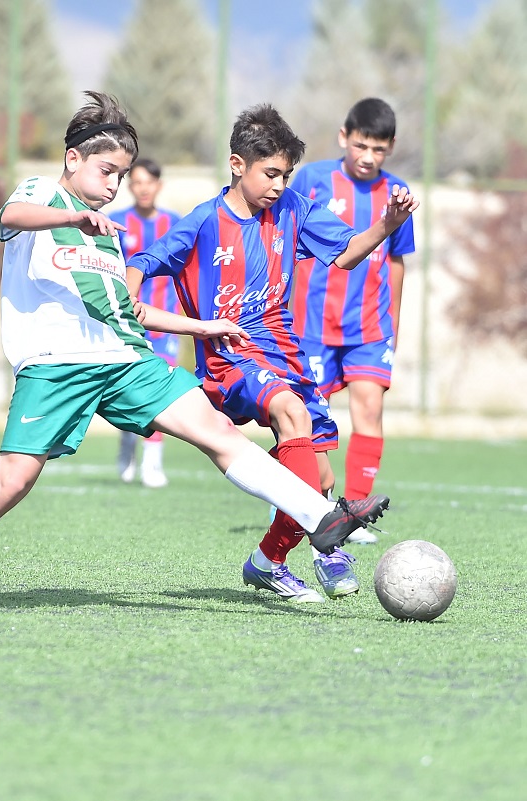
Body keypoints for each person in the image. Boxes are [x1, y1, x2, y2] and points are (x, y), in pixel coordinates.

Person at [0, 91, 391, 613]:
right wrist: (71, 219)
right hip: (56, 367)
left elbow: (130, 312)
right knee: (12, 481)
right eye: (106, 170)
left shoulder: (104, 234)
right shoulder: (46, 196)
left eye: (122, 173)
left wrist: (203, 326)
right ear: (74, 159)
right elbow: (13, 213)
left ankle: (321, 521)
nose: (114, 184)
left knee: (218, 434)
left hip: (124, 361)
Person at [126, 102, 418, 602]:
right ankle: (328, 548)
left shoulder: (293, 209)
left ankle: (267, 561)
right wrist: (130, 298)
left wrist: (387, 225)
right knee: (289, 413)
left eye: (286, 174)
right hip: (231, 356)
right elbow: (144, 261)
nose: (280, 185)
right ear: (237, 165)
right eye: (270, 174)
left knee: (318, 473)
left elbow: (346, 254)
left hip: (287, 352)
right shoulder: (203, 222)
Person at [289, 98, 415, 549]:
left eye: (379, 150)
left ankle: (355, 511)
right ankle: (297, 495)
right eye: (361, 145)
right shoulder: (311, 180)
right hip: (312, 325)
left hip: (369, 327)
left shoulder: (397, 193)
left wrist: (394, 324)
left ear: (391, 148)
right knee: (304, 418)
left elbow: (397, 263)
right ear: (344, 137)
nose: (368, 157)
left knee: (369, 408)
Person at [109, 158, 181, 488]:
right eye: (136, 182)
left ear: (158, 185)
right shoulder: (116, 223)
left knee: (159, 394)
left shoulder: (175, 223)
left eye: (148, 182)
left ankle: (152, 464)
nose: (143, 188)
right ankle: (127, 442)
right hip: (128, 321)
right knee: (128, 391)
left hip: (165, 323)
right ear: (130, 186)